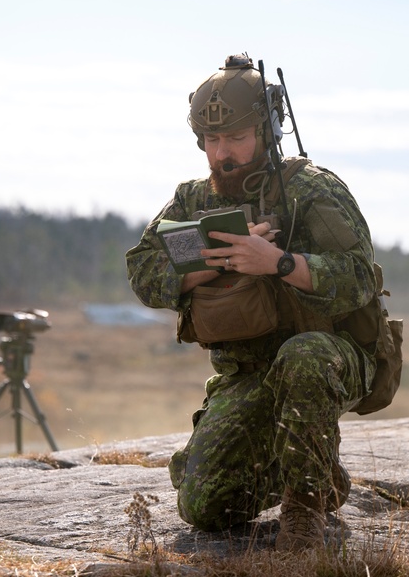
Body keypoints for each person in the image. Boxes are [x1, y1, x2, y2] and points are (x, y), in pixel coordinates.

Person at [126, 53, 379, 551]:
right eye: (213, 141)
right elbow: (143, 271)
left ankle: (304, 515)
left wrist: (279, 263)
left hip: (331, 358)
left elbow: (360, 279)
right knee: (204, 506)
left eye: (237, 139)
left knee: (303, 355)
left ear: (268, 133)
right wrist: (215, 261)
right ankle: (313, 468)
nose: (224, 154)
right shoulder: (194, 202)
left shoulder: (312, 191)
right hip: (247, 373)